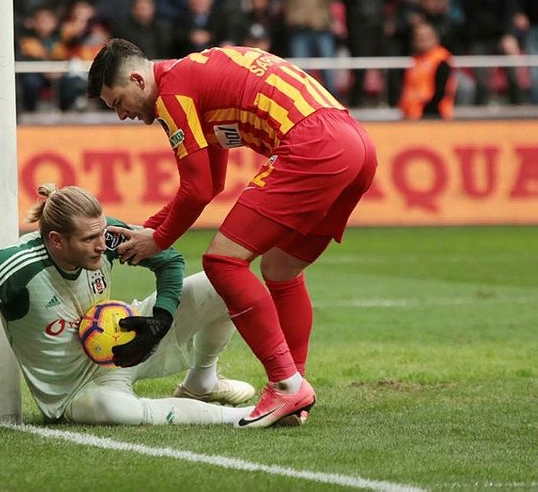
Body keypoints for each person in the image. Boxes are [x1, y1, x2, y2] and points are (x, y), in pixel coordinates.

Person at [87, 39, 377, 429]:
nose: (122, 114)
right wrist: (152, 229)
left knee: (223, 262)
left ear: (138, 80)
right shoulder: (193, 77)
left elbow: (197, 189)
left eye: (118, 102)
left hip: (313, 145)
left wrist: (157, 239)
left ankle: (286, 384)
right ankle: (295, 390)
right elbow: (212, 182)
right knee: (280, 269)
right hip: (356, 144)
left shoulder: (172, 95)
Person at [0, 184, 255, 430]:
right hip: (77, 391)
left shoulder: (106, 237)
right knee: (119, 411)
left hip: (124, 345)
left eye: (102, 233)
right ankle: (242, 416)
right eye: (90, 238)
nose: (103, 245)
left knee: (222, 283)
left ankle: (201, 381)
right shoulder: (16, 266)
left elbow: (169, 259)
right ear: (57, 240)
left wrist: (160, 318)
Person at [398, 21, 457, 120]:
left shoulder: (441, 59)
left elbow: (441, 92)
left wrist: (426, 112)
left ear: (435, 38)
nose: (422, 40)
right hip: (411, 115)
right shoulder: (415, 59)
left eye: (426, 37)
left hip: (432, 116)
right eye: (418, 37)